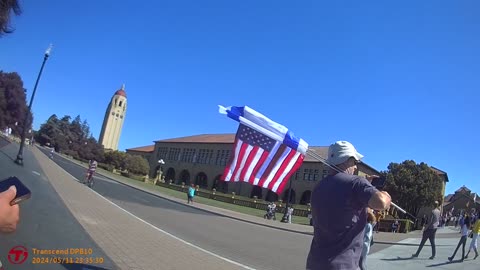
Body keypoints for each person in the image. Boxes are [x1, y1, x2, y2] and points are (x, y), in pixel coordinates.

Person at [306, 141, 392, 270]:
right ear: (347, 160)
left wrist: (364, 194)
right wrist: (386, 196)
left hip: (315, 262)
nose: (356, 167)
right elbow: (381, 202)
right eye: (355, 163)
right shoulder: (356, 183)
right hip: (343, 264)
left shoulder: (319, 186)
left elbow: (344, 212)